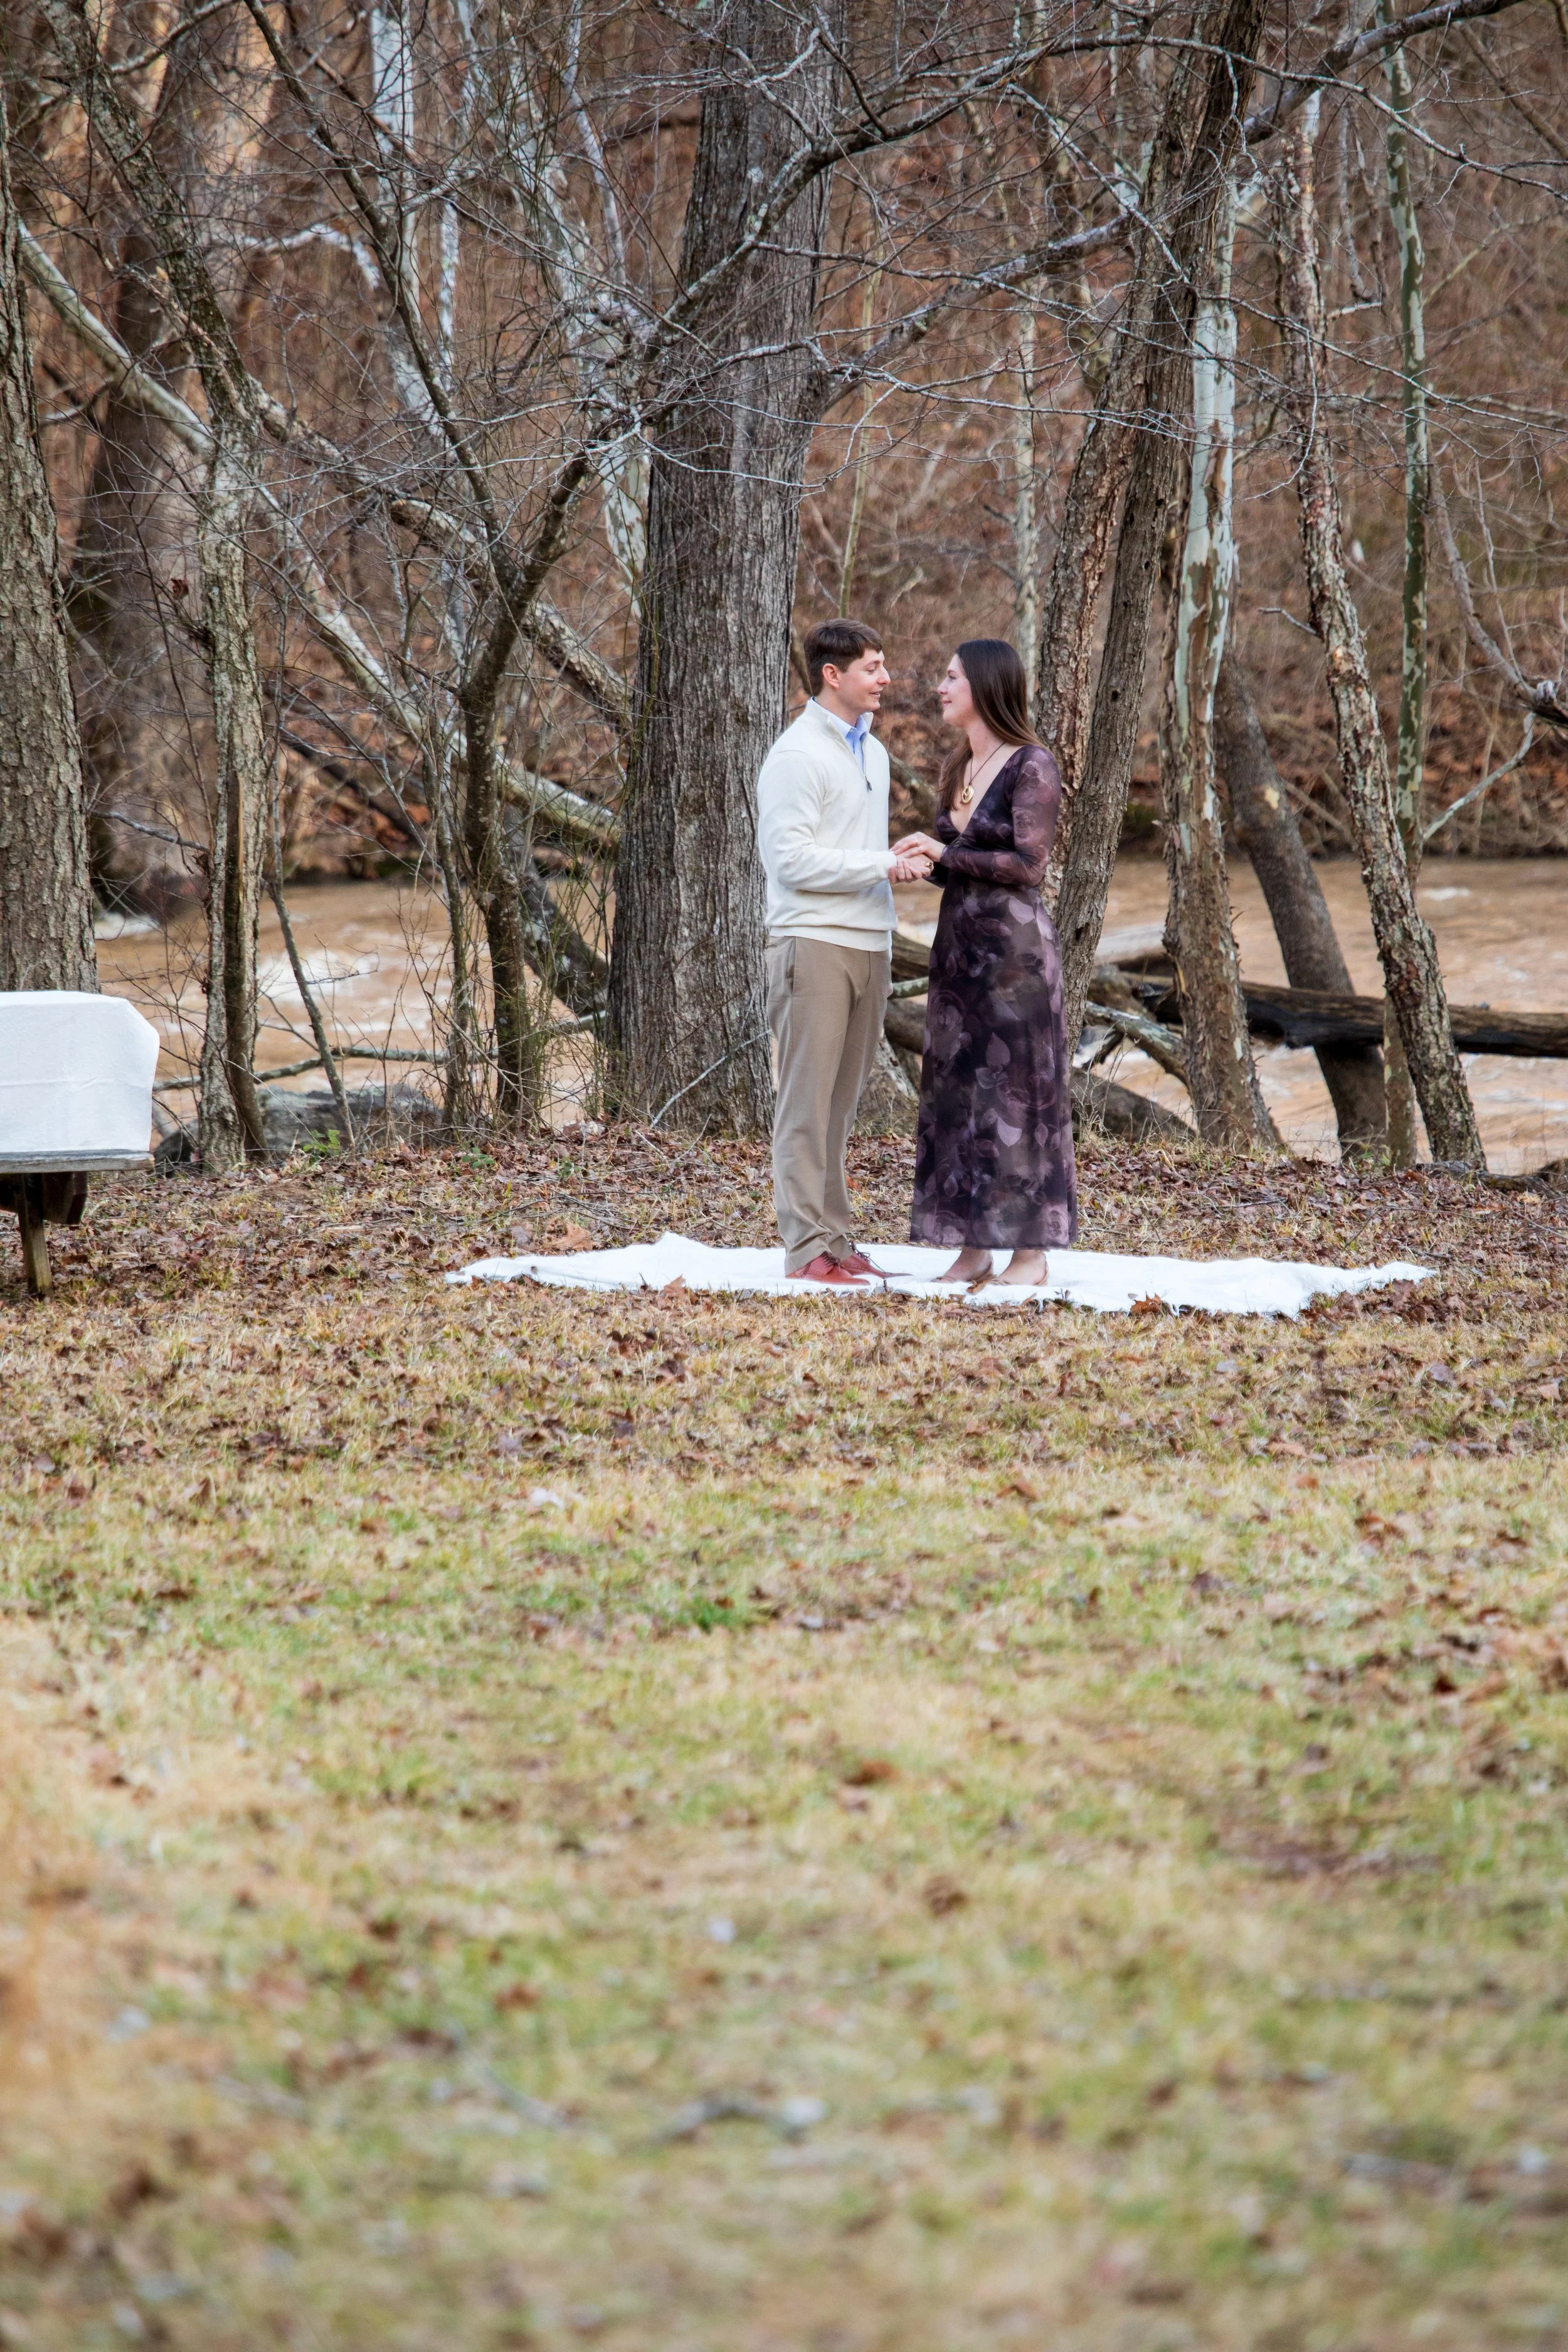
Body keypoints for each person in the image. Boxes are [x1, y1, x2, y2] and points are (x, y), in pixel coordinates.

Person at [895, 638, 1078, 1286]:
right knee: (958, 1095)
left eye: (951, 678)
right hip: (959, 957)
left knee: (1015, 1101)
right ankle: (970, 1247)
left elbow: (1028, 866)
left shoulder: (1033, 765)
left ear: (985, 686)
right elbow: (958, 864)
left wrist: (942, 855)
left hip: (1014, 960)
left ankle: (1031, 1257)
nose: (940, 688)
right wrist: (916, 860)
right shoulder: (960, 766)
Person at [756, 618, 931, 1287]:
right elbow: (789, 860)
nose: (885, 679)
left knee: (841, 1104)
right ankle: (805, 1251)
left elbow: (860, 851)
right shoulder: (797, 754)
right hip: (814, 943)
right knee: (806, 1104)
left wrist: (897, 859)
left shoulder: (873, 753)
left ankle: (837, 1237)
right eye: (873, 667)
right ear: (833, 676)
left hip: (868, 944)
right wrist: (880, 864)